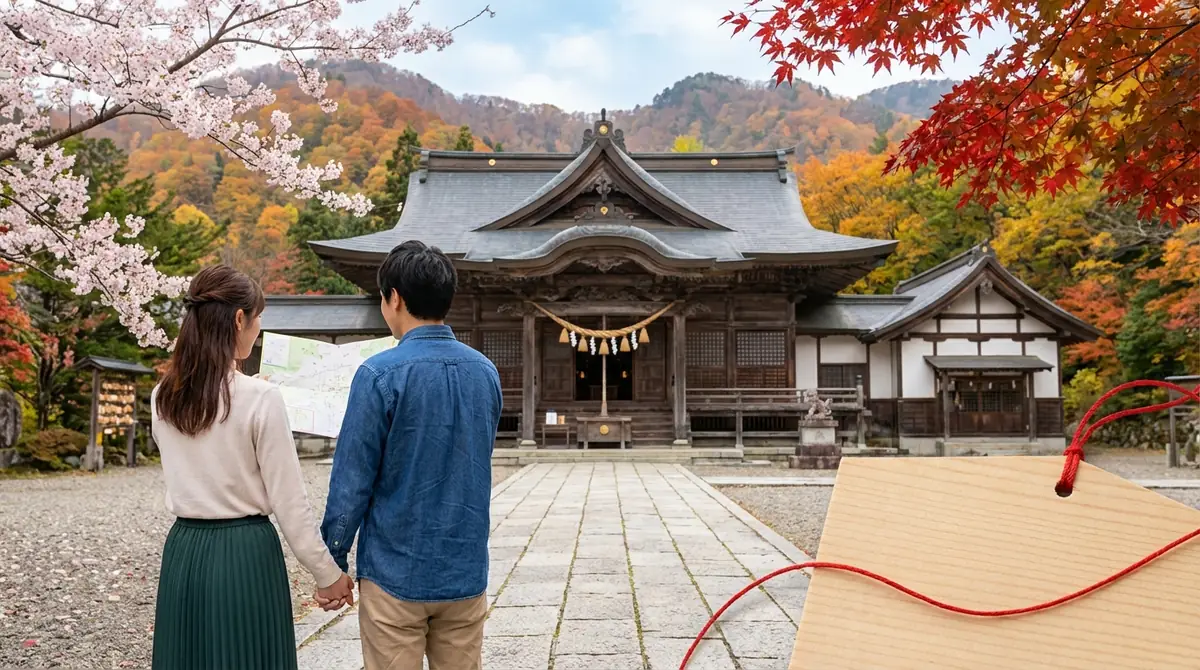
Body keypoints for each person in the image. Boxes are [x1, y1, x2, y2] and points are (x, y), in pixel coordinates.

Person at [150, 265, 354, 670]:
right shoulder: (262, 398)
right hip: (244, 555)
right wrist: (328, 574)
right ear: (240, 318)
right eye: (258, 317)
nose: (258, 327)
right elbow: (290, 503)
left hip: (184, 552)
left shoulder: (163, 397)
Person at [320, 241, 502, 670]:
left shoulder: (378, 374)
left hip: (395, 570)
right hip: (464, 566)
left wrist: (333, 561)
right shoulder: (485, 372)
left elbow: (352, 480)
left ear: (395, 298)